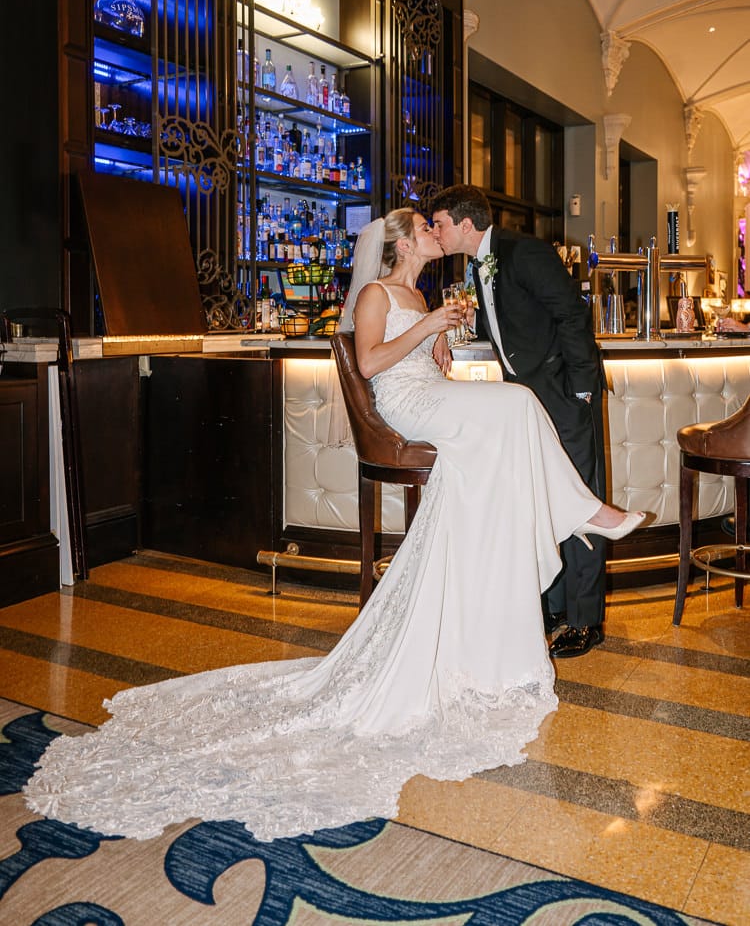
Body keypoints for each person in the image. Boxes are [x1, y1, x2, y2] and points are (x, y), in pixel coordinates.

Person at [24, 209, 644, 844]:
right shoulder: (377, 293)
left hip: (430, 393)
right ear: (403, 243)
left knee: (505, 427)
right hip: (404, 405)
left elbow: (428, 362)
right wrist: (428, 329)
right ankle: (585, 513)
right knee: (518, 403)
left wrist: (439, 343)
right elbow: (371, 365)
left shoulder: (422, 294)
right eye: (425, 229)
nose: (434, 234)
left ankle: (538, 552)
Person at [431, 185, 617, 658]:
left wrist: (581, 390)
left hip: (563, 393)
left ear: (465, 224)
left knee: (581, 499)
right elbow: (503, 325)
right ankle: (553, 607)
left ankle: (585, 620)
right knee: (543, 500)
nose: (436, 232)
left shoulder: (524, 252)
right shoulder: (477, 265)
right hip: (525, 401)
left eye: (440, 224)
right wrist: (446, 336)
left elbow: (572, 316)